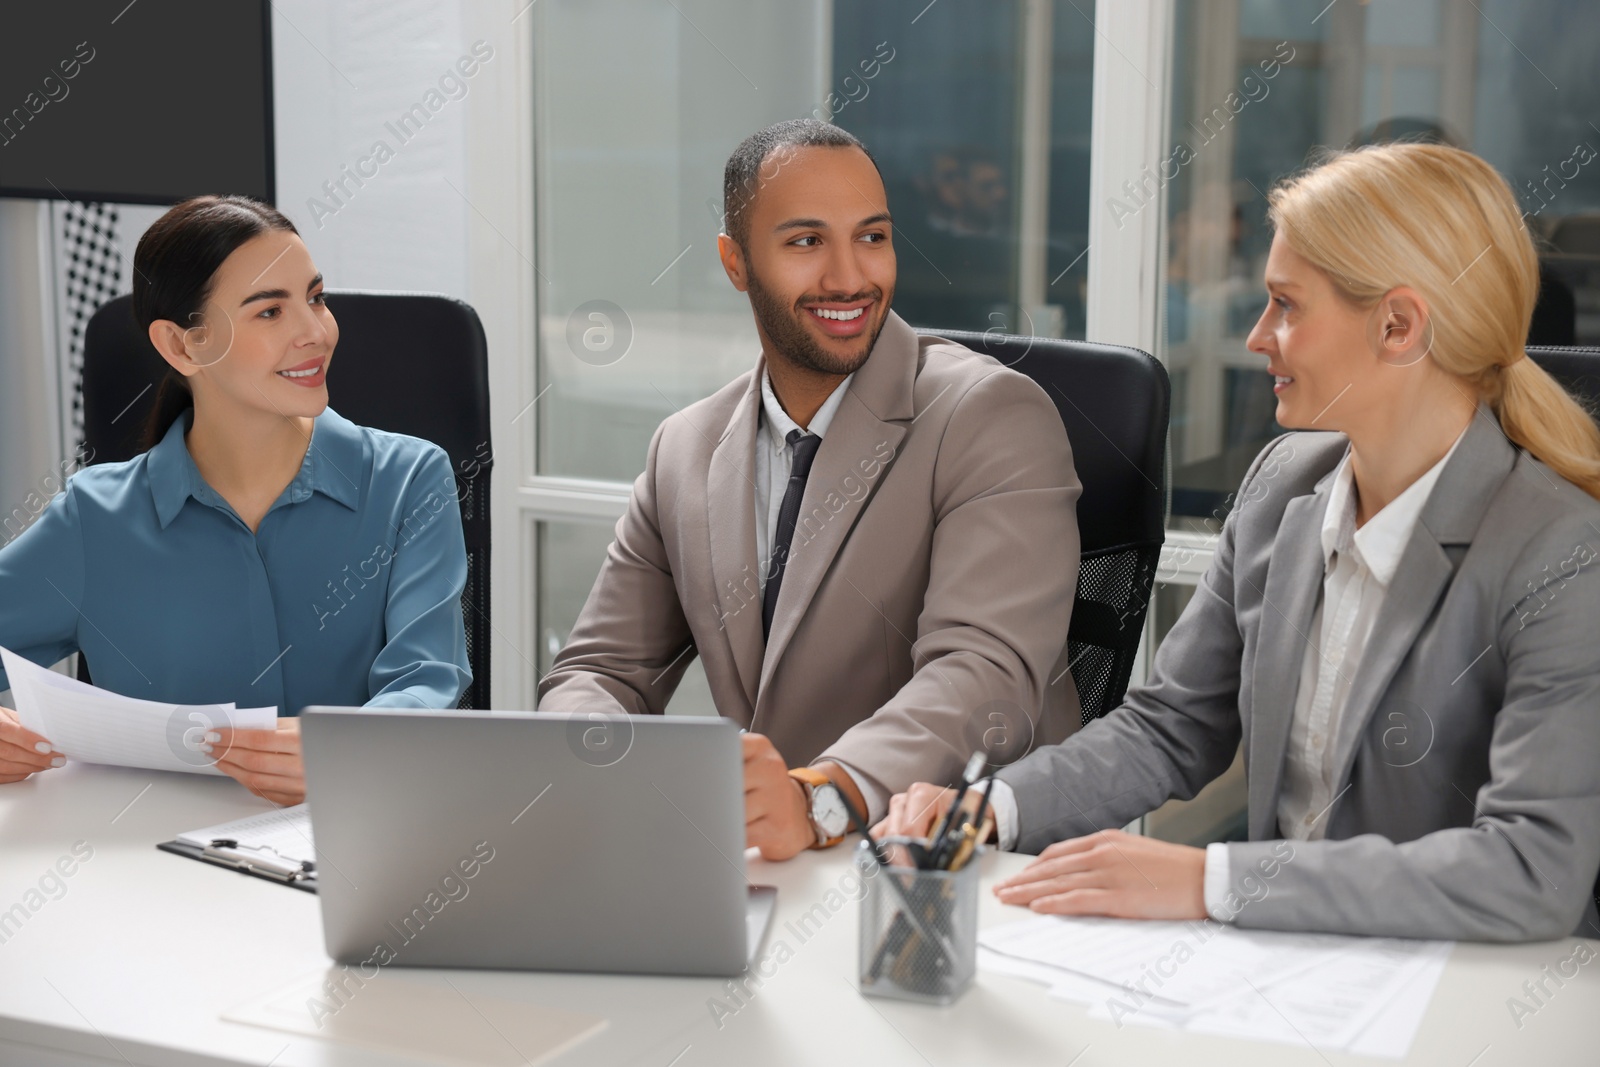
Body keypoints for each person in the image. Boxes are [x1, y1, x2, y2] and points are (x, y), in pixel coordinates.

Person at [880, 142, 1600, 941]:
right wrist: (990, 808)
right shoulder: (1283, 485)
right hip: (1279, 969)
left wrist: (1210, 878)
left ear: (1398, 325)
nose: (1258, 336)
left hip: (1459, 995)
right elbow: (1172, 726)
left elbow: (1532, 870)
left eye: (1287, 305)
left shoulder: (1561, 554)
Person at [538, 119, 1082, 861]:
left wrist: (819, 796)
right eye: (805, 242)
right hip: (773, 868)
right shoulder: (685, 449)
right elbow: (600, 671)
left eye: (872, 237)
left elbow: (982, 678)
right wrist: (602, 764)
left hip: (952, 871)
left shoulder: (990, 416)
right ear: (736, 262)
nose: (849, 277)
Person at [0, 196, 472, 803]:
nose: (316, 331)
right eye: (271, 311)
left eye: (316, 297)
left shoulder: (410, 480)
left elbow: (427, 679)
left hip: (349, 838)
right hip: (148, 864)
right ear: (182, 346)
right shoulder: (96, 518)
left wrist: (344, 749)